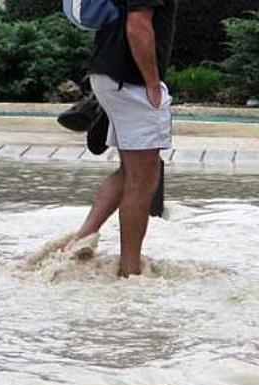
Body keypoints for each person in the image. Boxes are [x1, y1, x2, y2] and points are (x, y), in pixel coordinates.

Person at [62, 0, 177, 277]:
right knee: (144, 178)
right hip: (130, 81)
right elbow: (138, 24)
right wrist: (152, 82)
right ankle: (130, 272)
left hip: (111, 74)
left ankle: (79, 242)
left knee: (132, 171)